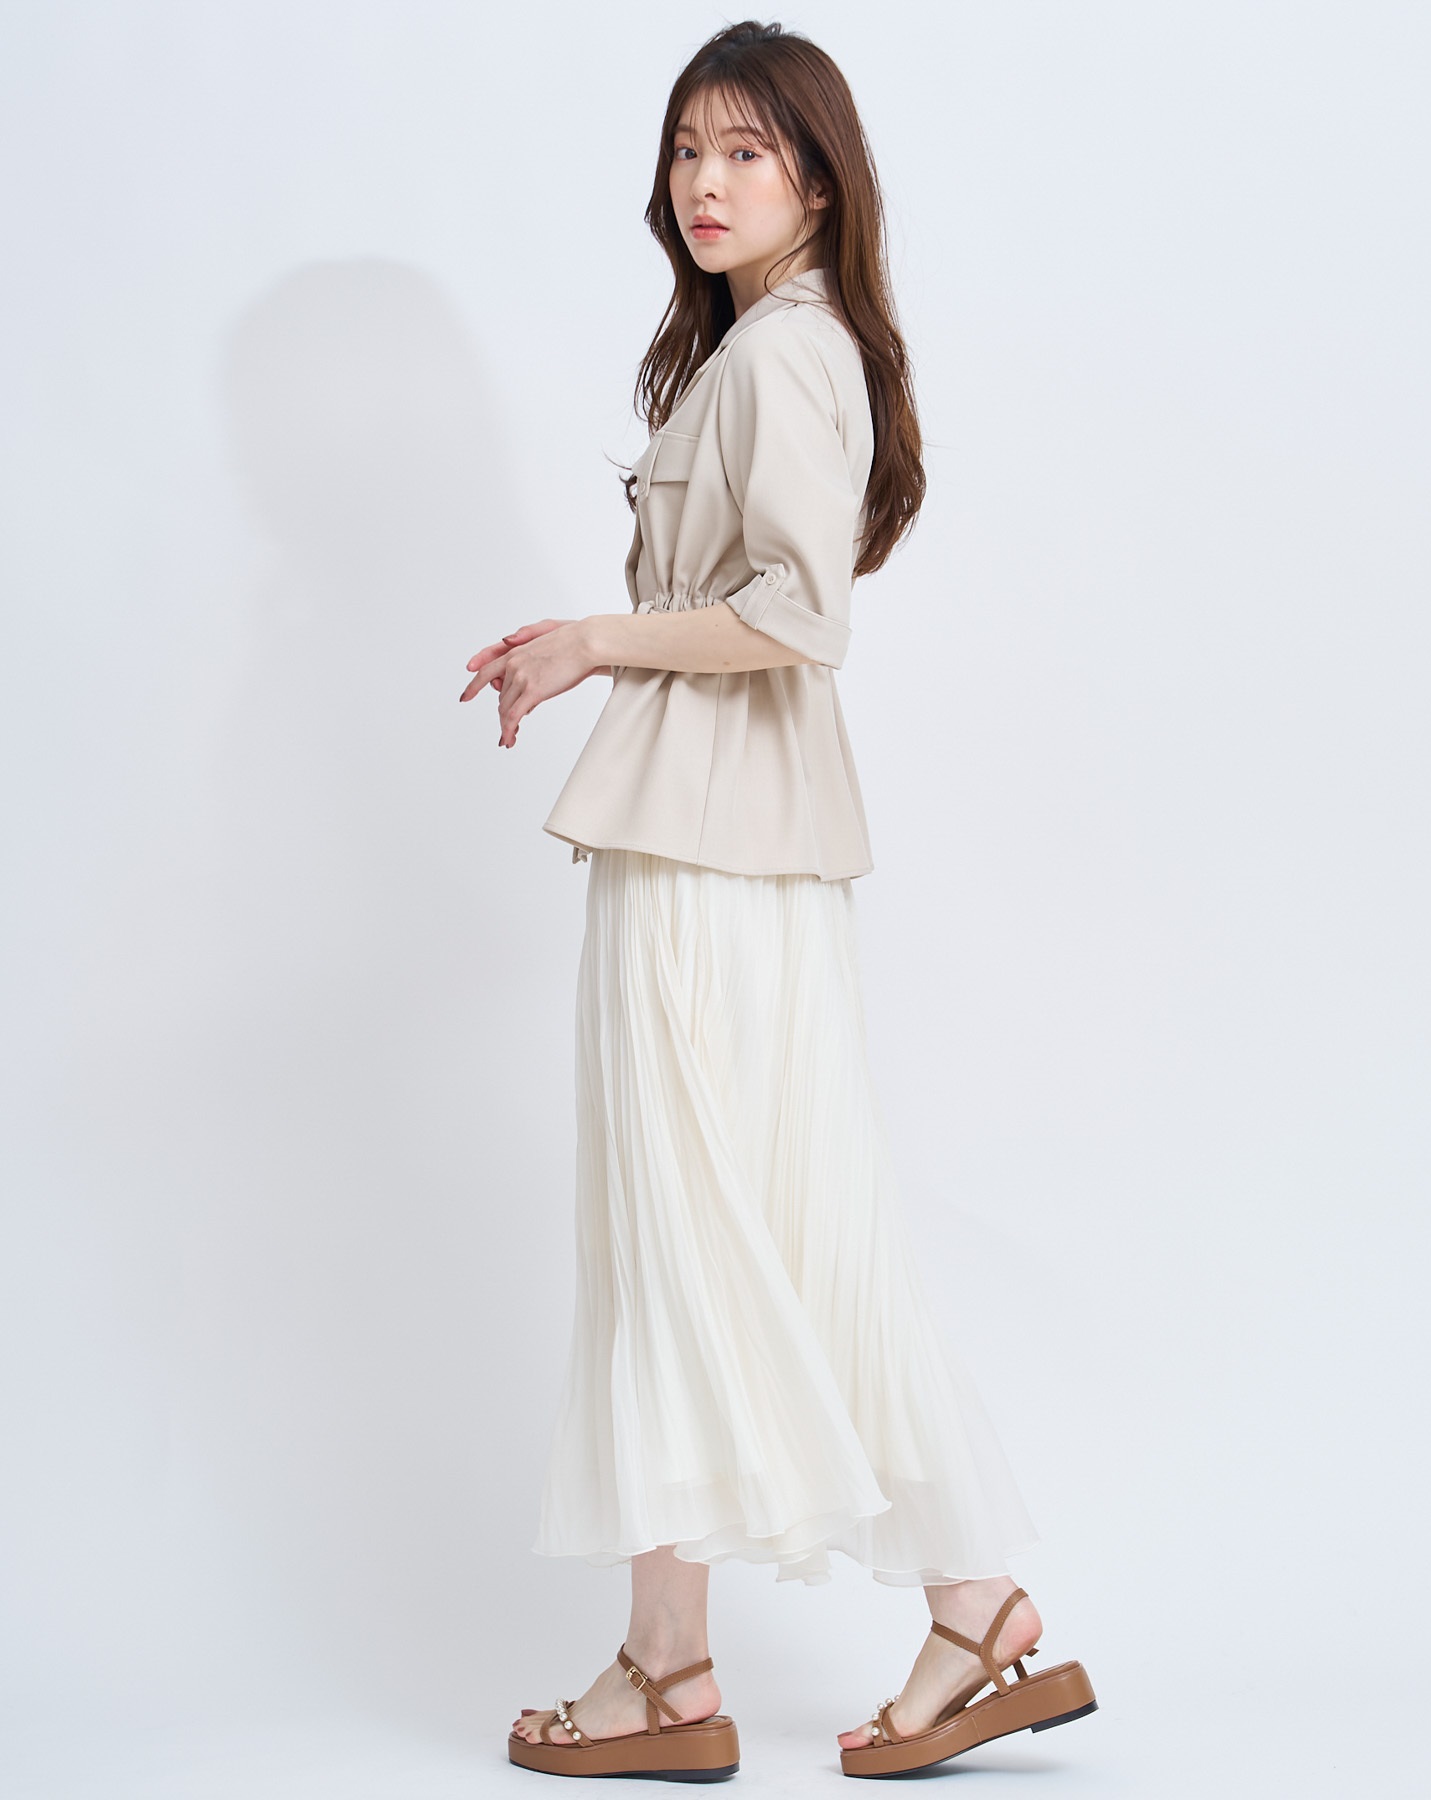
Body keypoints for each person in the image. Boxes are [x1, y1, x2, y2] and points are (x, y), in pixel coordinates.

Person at [459, 20, 1096, 1781]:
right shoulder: (761, 353)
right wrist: (600, 644)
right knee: (736, 1233)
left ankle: (704, 1667)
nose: (708, 181)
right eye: (688, 150)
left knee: (703, 1234)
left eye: (747, 152)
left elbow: (801, 617)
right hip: (723, 843)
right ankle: (867, 1627)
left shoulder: (785, 358)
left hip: (711, 858)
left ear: (817, 179)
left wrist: (596, 640)